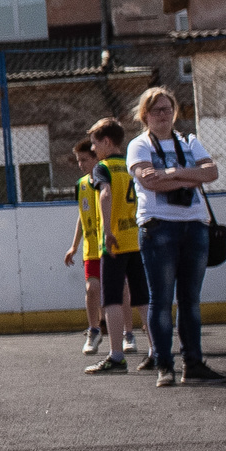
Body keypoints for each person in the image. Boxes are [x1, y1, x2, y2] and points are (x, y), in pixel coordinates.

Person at [129, 87, 224, 386]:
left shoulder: (189, 141)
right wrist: (186, 176)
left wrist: (170, 174)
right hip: (159, 226)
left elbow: (211, 173)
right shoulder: (139, 145)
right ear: (145, 115)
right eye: (156, 109)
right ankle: (164, 366)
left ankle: (193, 363)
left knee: (190, 300)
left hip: (194, 225)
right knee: (161, 299)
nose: (163, 114)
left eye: (168, 109)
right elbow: (149, 181)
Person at [83, 118, 146, 373]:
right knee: (143, 299)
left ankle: (117, 356)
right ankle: (156, 351)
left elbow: (106, 194)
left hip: (115, 244)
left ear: (107, 142)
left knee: (111, 301)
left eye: (95, 143)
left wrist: (108, 231)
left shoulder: (103, 168)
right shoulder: (131, 166)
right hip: (136, 239)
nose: (93, 148)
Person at [65, 137, 107, 354]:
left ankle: (130, 332)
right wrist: (74, 246)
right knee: (92, 288)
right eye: (78, 161)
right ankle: (94, 330)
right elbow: (82, 216)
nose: (81, 164)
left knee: (121, 291)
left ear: (95, 158)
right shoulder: (81, 185)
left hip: (110, 245)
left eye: (84, 160)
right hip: (91, 247)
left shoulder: (106, 181)